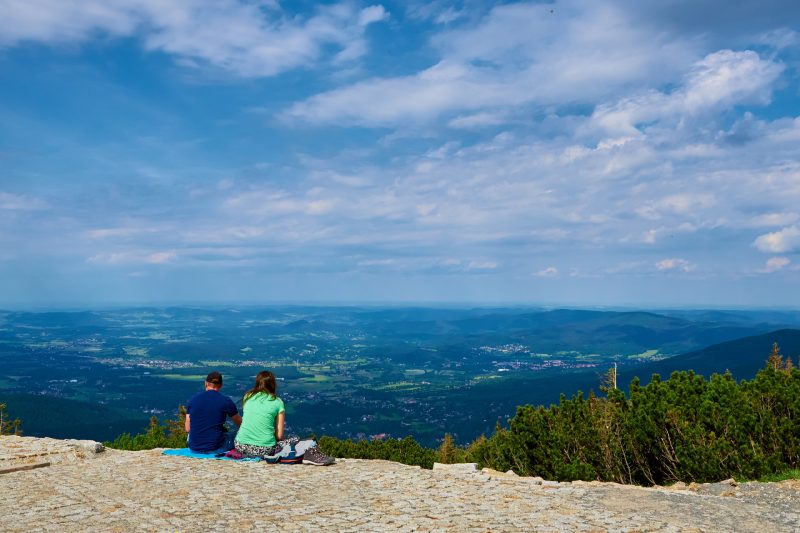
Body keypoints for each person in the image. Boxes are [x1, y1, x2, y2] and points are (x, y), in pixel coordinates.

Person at [234, 370, 334, 466]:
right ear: (273, 384)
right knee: (297, 439)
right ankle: (310, 456)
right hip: (265, 449)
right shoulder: (277, 402)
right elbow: (279, 436)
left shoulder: (247, 396)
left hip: (240, 445)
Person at [185, 371, 242, 453]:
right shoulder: (225, 401)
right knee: (235, 436)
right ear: (221, 385)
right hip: (215, 447)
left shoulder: (193, 400)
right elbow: (240, 424)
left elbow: (187, 428)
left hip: (194, 447)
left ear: (206, 383)